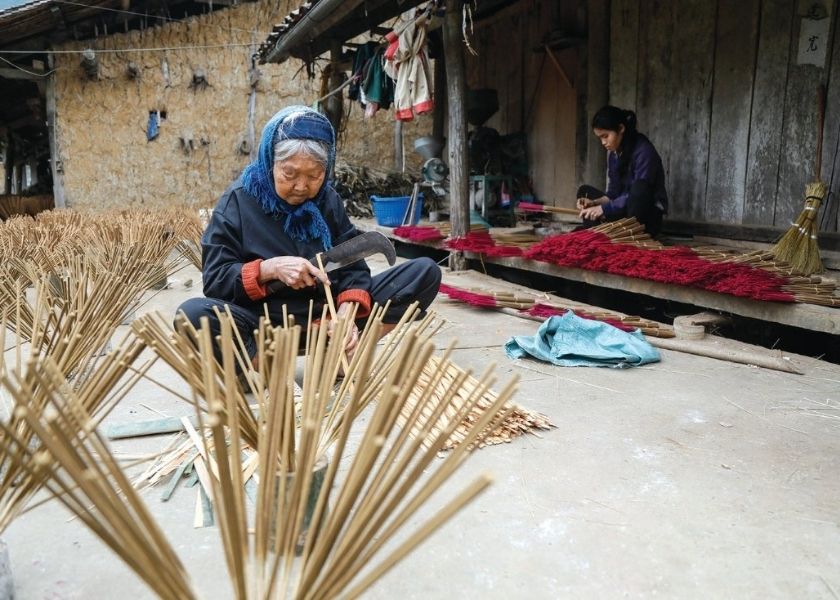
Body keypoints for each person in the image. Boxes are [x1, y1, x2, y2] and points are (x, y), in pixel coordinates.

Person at [177, 106, 441, 369]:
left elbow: (353, 265)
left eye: (314, 175)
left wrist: (346, 314)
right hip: (263, 323)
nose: (302, 186)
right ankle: (265, 366)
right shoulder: (237, 202)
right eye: (289, 174)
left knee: (424, 273)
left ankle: (346, 350)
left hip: (326, 318)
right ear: (270, 162)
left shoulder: (327, 200)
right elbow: (215, 279)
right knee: (192, 316)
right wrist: (270, 269)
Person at [576, 106, 668, 236]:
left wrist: (604, 209)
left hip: (645, 216)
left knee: (639, 188)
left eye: (606, 136)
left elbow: (638, 195)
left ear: (621, 129)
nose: (603, 142)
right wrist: (594, 203)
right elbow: (613, 193)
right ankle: (600, 233)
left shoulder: (644, 151)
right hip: (622, 211)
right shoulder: (613, 153)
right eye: (600, 138)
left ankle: (631, 236)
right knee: (584, 192)